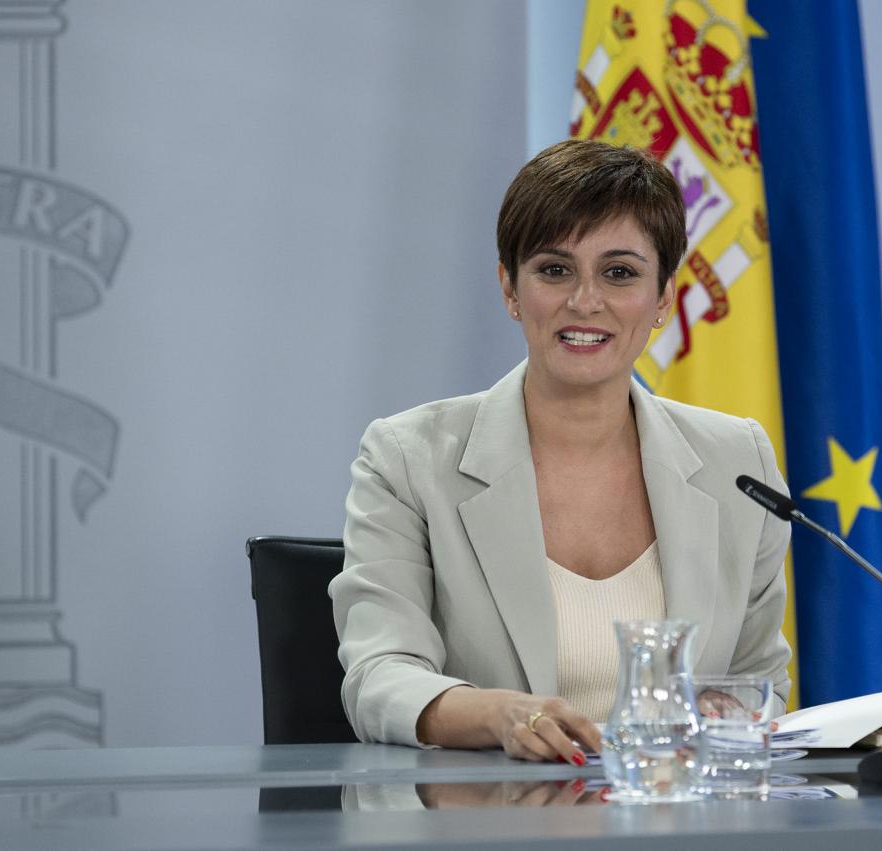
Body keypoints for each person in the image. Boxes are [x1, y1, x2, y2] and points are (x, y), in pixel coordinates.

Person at [331, 139, 792, 765]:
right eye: (555, 269)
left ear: (663, 298)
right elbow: (379, 677)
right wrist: (501, 714)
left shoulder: (739, 461)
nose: (585, 301)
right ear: (510, 288)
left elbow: (759, 679)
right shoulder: (408, 458)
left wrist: (731, 710)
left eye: (620, 272)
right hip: (487, 822)